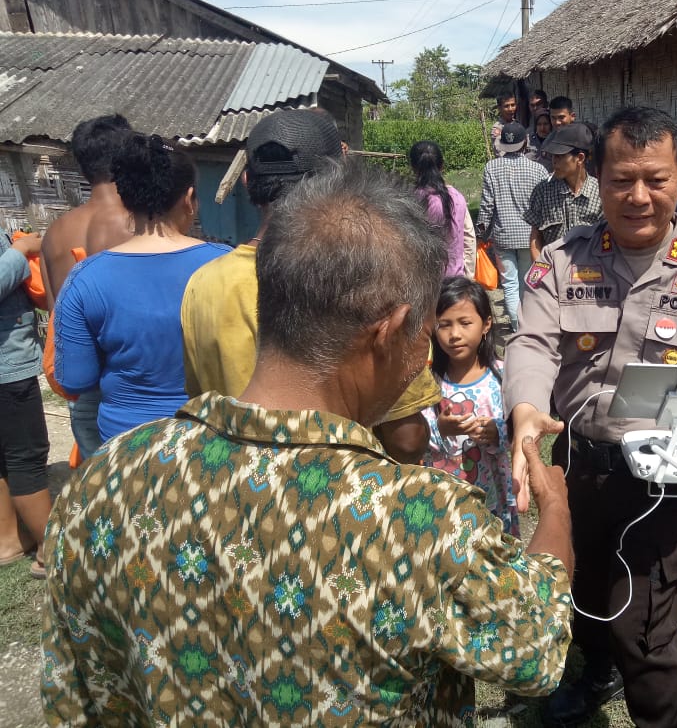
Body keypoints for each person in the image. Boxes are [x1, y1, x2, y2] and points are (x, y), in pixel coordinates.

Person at [41, 158, 575, 724]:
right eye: (424, 332)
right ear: (390, 330)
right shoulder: (420, 519)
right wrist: (557, 507)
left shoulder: (105, 477)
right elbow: (533, 650)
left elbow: (74, 695)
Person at [505, 106, 677, 727]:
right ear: (598, 178)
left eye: (656, 179)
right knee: (584, 586)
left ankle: (664, 718)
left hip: (666, 479)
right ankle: (593, 671)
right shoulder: (562, 262)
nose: (639, 196)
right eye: (622, 179)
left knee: (645, 629)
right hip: (579, 469)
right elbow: (533, 344)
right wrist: (525, 411)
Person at [180, 110, 442, 464]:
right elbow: (406, 438)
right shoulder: (359, 277)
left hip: (231, 480)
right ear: (337, 183)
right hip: (346, 494)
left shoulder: (202, 284)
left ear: (246, 182)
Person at [53, 134, 230, 445]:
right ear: (189, 199)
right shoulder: (228, 265)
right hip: (209, 445)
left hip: (125, 448)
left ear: (125, 199)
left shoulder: (85, 279)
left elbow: (75, 379)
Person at [40, 114, 134, 456]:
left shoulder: (55, 233)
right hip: (129, 383)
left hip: (81, 383)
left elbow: (56, 316)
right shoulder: (141, 224)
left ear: (81, 167)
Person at [423, 277, 517, 537]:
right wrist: (439, 428)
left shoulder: (502, 376)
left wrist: (497, 432)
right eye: (444, 325)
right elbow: (414, 434)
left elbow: (518, 429)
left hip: (493, 496)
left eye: (465, 323)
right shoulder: (428, 382)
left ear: (486, 324)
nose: (455, 335)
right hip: (444, 498)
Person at [0, 231, 50, 580]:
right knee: (26, 455)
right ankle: (51, 549)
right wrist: (20, 252)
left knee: (5, 457)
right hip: (7, 367)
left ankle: (9, 540)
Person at [477, 121, 547, 332]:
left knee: (509, 284)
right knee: (527, 284)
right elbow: (543, 206)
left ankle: (517, 329)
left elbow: (487, 206)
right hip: (530, 237)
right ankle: (528, 327)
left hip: (503, 237)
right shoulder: (538, 169)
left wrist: (481, 233)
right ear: (525, 142)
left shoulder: (491, 168)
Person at [525, 122, 602, 258]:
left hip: (593, 274)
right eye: (553, 156)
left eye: (560, 156)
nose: (554, 161)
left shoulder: (600, 193)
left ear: (580, 158)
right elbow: (535, 240)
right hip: (553, 274)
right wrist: (542, 274)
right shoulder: (542, 192)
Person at [410, 140, 467, 277]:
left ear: (412, 167)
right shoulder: (457, 197)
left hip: (424, 282)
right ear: (442, 166)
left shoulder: (410, 200)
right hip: (455, 280)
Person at [491, 91, 518, 155]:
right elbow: (500, 152)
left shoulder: (517, 124)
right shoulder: (498, 128)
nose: (510, 109)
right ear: (499, 108)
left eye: (513, 105)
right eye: (506, 106)